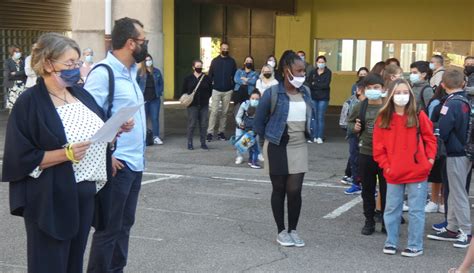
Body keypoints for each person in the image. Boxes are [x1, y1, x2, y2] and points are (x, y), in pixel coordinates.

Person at [1, 32, 130, 273]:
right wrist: (65, 155)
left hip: (85, 193)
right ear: (48, 64)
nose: (76, 69)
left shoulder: (80, 94)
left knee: (73, 264)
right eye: (70, 64)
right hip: (51, 197)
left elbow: (95, 137)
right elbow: (19, 157)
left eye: (78, 63)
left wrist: (115, 131)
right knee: (49, 264)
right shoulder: (30, 103)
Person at [85, 17, 148, 273]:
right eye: (143, 40)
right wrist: (106, 156)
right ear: (131, 43)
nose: (146, 45)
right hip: (116, 165)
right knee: (109, 228)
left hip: (134, 163)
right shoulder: (103, 74)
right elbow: (86, 119)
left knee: (124, 225)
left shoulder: (131, 73)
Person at [254, 50, 315, 247]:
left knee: (295, 190)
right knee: (279, 189)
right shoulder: (272, 93)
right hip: (276, 145)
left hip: (299, 145)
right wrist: (267, 141)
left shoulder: (305, 92)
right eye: (298, 71)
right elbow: (258, 122)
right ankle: (281, 231)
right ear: (287, 71)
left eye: (303, 71)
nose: (302, 75)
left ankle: (293, 230)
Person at [373, 78, 436, 257]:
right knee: (392, 209)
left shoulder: (418, 115)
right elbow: (378, 148)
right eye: (398, 93)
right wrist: (387, 167)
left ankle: (415, 245)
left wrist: (429, 160)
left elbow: (430, 138)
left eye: (405, 92)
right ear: (391, 95)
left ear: (411, 94)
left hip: (418, 172)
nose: (402, 96)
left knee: (416, 211)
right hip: (393, 173)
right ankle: (391, 241)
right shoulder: (383, 117)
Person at [427, 69, 472, 249]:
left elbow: (443, 130)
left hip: (455, 152)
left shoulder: (450, 104)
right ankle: (452, 227)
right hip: (466, 151)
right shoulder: (466, 101)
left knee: (458, 192)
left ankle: (466, 231)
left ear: (443, 85)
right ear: (463, 84)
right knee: (455, 190)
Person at [347, 73, 387, 235]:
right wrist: (353, 128)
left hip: (386, 155)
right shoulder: (360, 106)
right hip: (366, 152)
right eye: (369, 88)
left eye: (376, 88)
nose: (373, 91)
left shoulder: (388, 106)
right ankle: (369, 220)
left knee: (387, 190)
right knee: (367, 189)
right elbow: (349, 122)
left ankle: (386, 221)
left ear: (383, 89)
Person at [206, 42, 237, 142]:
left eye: (227, 48)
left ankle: (221, 132)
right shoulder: (214, 61)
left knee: (224, 113)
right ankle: (210, 133)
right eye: (223, 48)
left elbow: (235, 76)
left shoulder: (232, 62)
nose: (225, 50)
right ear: (220, 49)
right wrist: (210, 89)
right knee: (214, 112)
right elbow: (210, 76)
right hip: (216, 90)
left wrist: (232, 87)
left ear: (228, 49)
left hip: (227, 91)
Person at [424, 86, 448, 214]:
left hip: (445, 144)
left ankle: (442, 202)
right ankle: (435, 201)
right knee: (437, 175)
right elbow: (431, 123)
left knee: (444, 175)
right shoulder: (437, 104)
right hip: (437, 143)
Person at [181, 59, 212, 150]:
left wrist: (205, 98)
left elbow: (210, 90)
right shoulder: (188, 78)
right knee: (192, 124)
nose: (199, 68)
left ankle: (203, 143)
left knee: (203, 124)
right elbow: (183, 91)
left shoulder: (206, 78)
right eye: (197, 66)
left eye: (200, 66)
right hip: (192, 105)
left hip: (204, 105)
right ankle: (190, 142)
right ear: (193, 67)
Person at [343, 81, 365, 195]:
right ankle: (356, 183)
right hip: (354, 136)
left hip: (367, 140)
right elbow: (349, 121)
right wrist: (354, 128)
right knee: (355, 160)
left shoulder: (375, 105)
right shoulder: (354, 104)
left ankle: (366, 185)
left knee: (366, 162)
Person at [137, 54, 164, 145]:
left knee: (155, 118)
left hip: (154, 99)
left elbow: (161, 84)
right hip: (143, 100)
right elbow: (136, 84)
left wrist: (159, 92)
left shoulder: (157, 72)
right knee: (143, 119)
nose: (149, 61)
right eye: (147, 60)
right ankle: (143, 137)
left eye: (150, 60)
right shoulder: (140, 72)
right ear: (144, 62)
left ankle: (156, 137)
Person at [307, 55, 332, 144]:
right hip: (314, 97)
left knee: (320, 117)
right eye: (319, 62)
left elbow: (325, 85)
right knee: (314, 117)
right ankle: (313, 136)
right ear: (316, 63)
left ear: (325, 63)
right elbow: (309, 83)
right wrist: (316, 85)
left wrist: (315, 84)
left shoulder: (328, 72)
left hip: (323, 98)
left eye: (322, 62)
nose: (320, 63)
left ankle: (320, 136)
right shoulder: (313, 72)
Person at [235, 90, 262, 168]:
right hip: (242, 126)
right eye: (253, 98)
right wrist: (240, 123)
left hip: (253, 129)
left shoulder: (261, 106)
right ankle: (239, 156)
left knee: (252, 144)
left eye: (257, 99)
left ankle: (251, 160)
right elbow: (238, 116)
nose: (254, 100)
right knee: (240, 142)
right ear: (250, 98)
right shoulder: (245, 104)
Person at [4, 45, 26, 110]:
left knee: (23, 105)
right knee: (12, 107)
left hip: (23, 85)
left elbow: (26, 72)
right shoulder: (8, 61)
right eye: (16, 51)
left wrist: (15, 73)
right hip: (13, 86)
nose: (19, 53)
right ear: (12, 52)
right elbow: (8, 75)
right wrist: (20, 73)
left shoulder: (23, 61)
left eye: (19, 51)